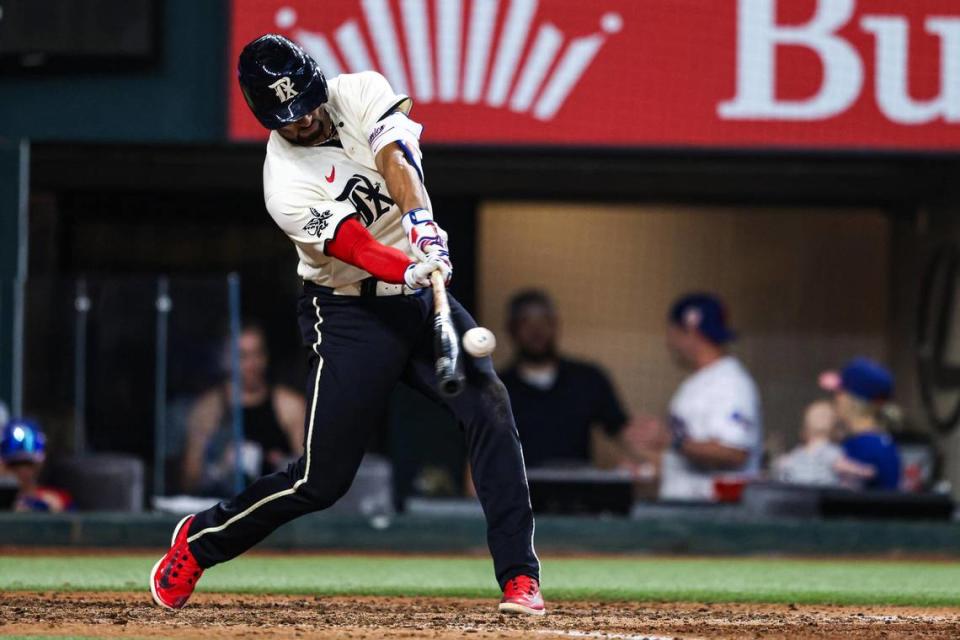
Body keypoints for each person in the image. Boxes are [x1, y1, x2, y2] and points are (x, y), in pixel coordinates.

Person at [150, 35, 543, 615]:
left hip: (416, 291)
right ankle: (201, 541)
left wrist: (422, 224)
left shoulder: (360, 90)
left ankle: (519, 578)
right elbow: (351, 244)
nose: (304, 118)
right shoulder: (282, 183)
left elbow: (395, 159)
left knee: (490, 405)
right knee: (320, 479)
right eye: (288, 116)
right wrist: (409, 266)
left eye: (306, 101)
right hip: (349, 310)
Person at [498, 290, 632, 468]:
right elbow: (479, 446)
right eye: (526, 322)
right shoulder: (497, 388)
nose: (536, 330)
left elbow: (621, 432)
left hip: (579, 488)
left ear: (555, 325)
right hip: (519, 490)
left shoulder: (588, 379)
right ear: (511, 329)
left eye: (543, 321)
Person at [656, 293, 763, 501]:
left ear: (689, 331)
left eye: (672, 332)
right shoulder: (698, 381)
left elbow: (734, 452)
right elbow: (684, 459)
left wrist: (672, 441)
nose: (669, 341)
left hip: (716, 517)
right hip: (692, 511)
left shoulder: (730, 382)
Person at [181, 323, 306, 496]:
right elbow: (188, 482)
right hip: (221, 505)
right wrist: (219, 468)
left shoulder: (289, 406)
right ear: (226, 360)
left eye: (258, 354)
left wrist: (281, 465)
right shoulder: (208, 409)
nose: (252, 364)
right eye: (243, 356)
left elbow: (308, 474)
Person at [819, 357, 901, 490]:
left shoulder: (867, 447)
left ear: (851, 400)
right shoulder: (875, 442)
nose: (835, 398)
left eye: (839, 392)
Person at [0, 419, 73, 512]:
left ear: (39, 464)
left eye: (28, 463)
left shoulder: (58, 501)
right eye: (14, 464)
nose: (22, 470)